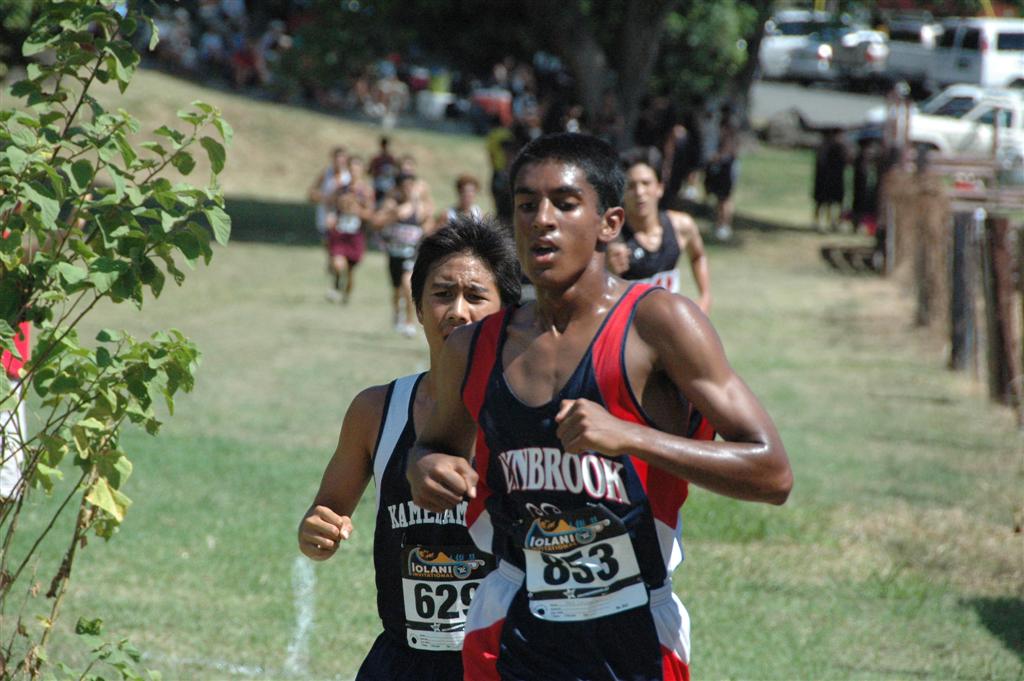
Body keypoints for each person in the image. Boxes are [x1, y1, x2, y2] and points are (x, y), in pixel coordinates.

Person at [406, 133, 792, 680]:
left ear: (609, 223)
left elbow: (772, 473)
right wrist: (423, 467)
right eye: (526, 205)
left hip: (633, 630)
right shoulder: (473, 347)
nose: (542, 220)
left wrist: (631, 437)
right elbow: (433, 448)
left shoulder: (659, 323)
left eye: (564, 204)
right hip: (511, 622)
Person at [298, 216, 521, 680]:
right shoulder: (377, 410)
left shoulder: (529, 415)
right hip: (403, 659)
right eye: (442, 294)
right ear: (417, 307)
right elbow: (328, 509)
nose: (457, 311)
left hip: (505, 661)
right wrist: (316, 529)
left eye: (476, 296)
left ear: (507, 312)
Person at [620, 147, 712, 314]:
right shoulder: (613, 236)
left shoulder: (681, 226)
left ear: (660, 188)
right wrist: (610, 269)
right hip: (629, 326)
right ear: (622, 192)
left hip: (669, 323)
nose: (639, 192)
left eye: (646, 183)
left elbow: (698, 256)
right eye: (631, 186)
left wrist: (704, 297)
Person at [374, 172, 435, 337]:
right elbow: (376, 222)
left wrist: (424, 226)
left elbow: (430, 225)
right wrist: (394, 215)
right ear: (399, 188)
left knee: (407, 284)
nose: (408, 189)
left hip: (411, 253)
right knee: (396, 290)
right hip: (394, 253)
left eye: (411, 186)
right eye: (405, 186)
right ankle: (397, 313)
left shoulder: (420, 206)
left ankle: (409, 321)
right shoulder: (391, 204)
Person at [325, 156, 375, 304]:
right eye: (351, 169)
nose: (354, 172)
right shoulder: (341, 188)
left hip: (356, 234)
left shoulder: (366, 191)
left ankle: (346, 296)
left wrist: (357, 210)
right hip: (340, 232)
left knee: (350, 271)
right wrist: (331, 216)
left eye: (357, 169)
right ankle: (336, 284)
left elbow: (370, 214)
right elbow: (331, 204)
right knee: (338, 263)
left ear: (362, 171)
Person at [704, 106, 739, 241]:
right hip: (723, 167)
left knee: (725, 199)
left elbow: (729, 150)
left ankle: (725, 225)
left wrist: (716, 157)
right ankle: (719, 224)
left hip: (727, 167)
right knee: (720, 198)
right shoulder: (724, 127)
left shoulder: (730, 128)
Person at [308, 146, 351, 238]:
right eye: (337, 158)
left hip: (342, 215)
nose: (340, 161)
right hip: (325, 213)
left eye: (342, 158)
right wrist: (323, 198)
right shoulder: (326, 173)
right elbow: (312, 192)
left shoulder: (349, 175)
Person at [812, 127, 849, 232]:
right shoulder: (824, 147)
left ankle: (833, 222)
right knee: (822, 201)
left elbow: (846, 161)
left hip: (836, 178)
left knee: (834, 202)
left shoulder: (840, 147)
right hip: (824, 178)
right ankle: (818, 222)